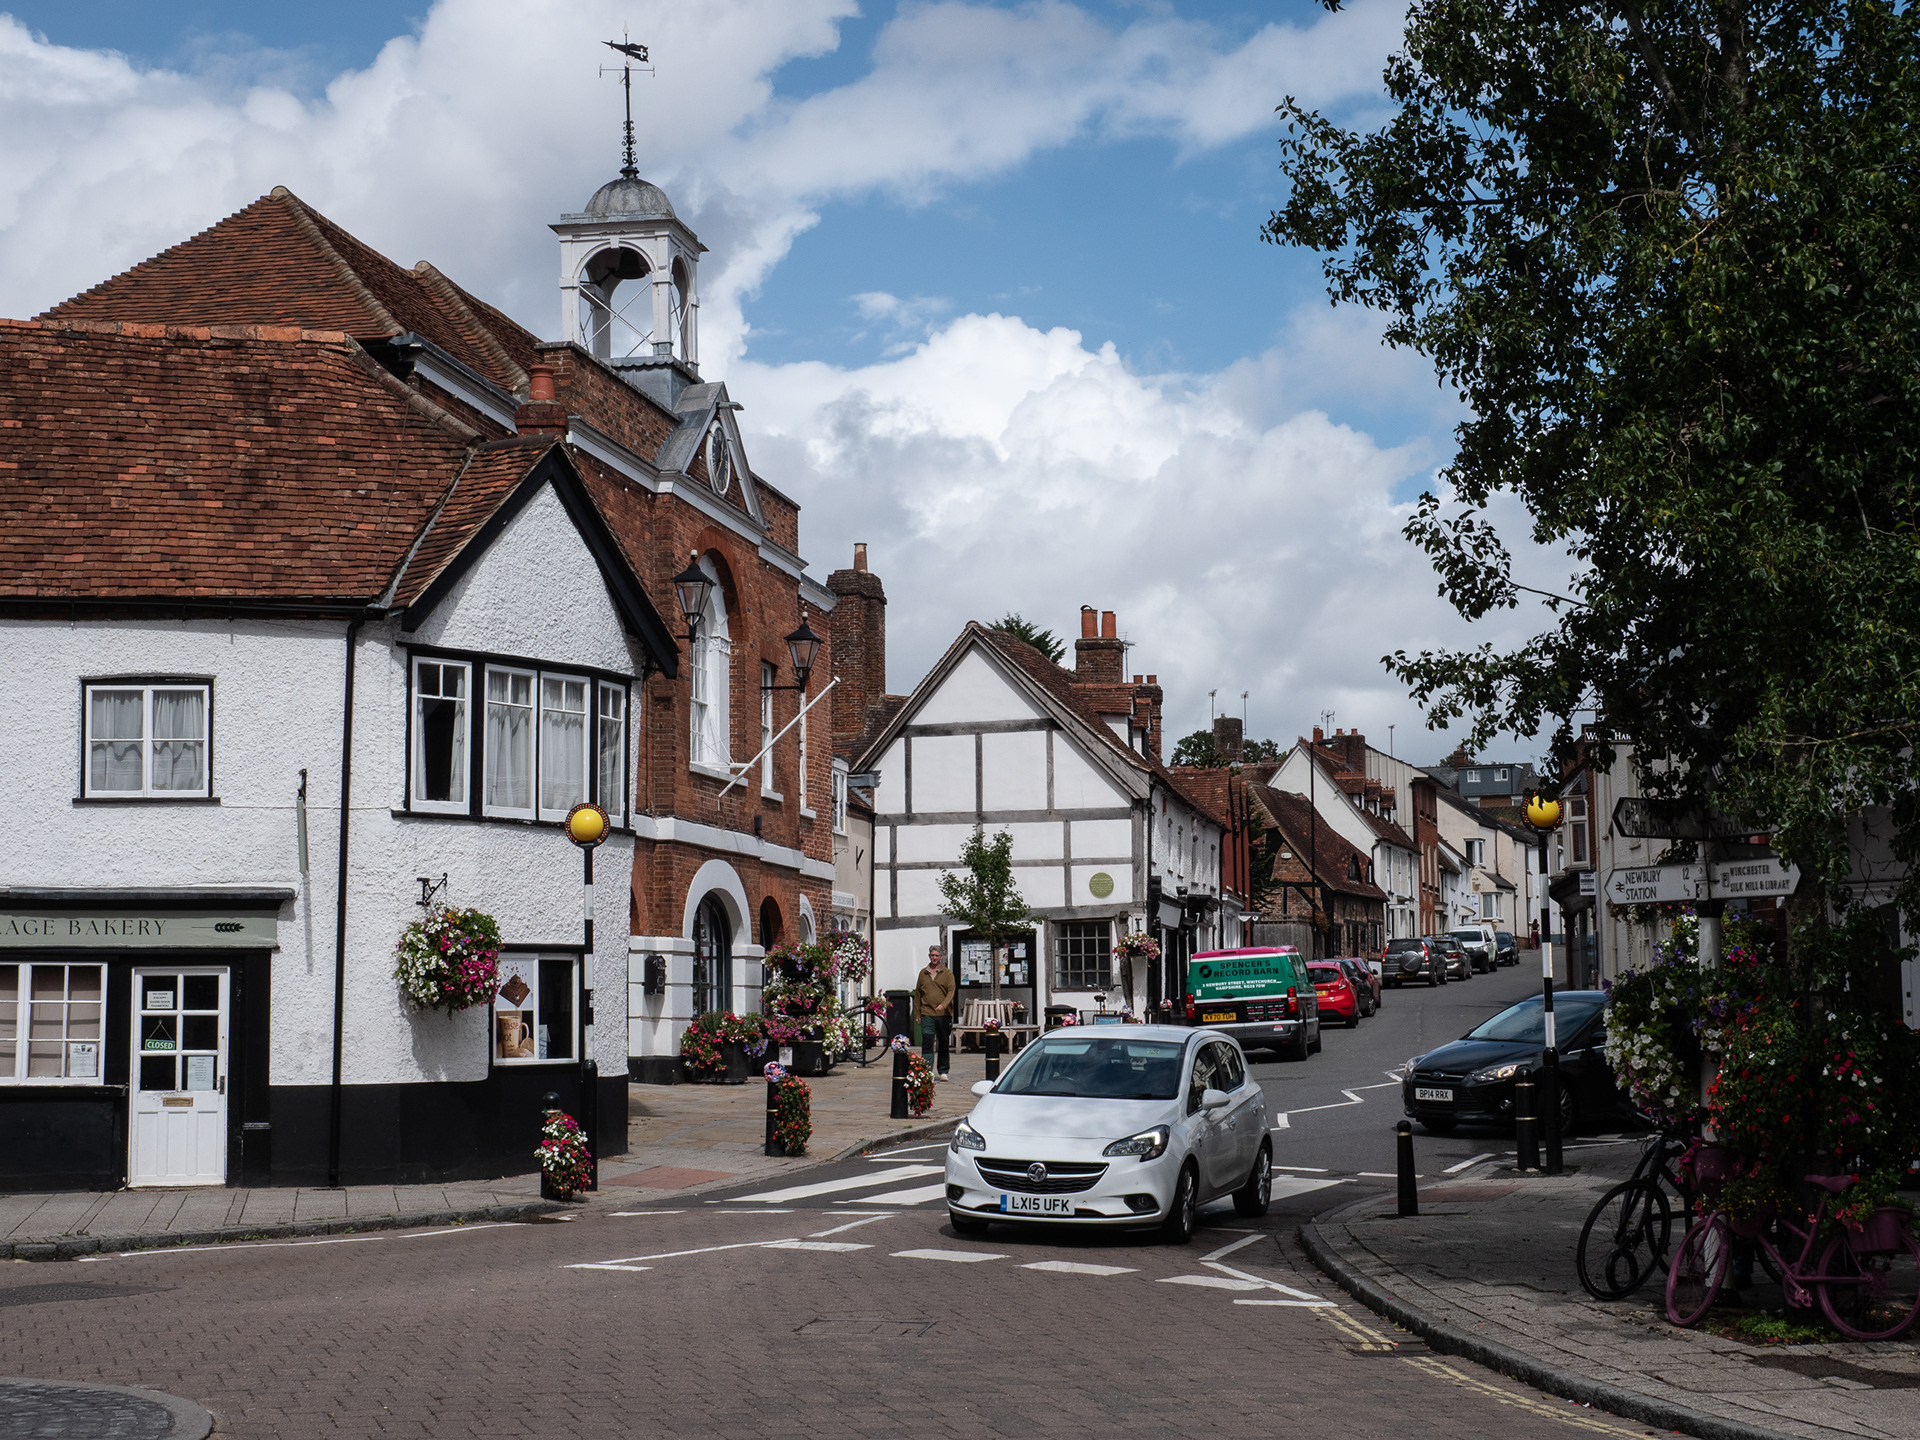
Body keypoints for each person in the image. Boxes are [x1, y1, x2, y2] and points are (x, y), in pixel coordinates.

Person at [914, 945, 957, 1080]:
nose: (934, 958)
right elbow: (918, 995)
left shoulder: (947, 973)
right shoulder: (923, 973)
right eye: (932, 955)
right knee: (927, 1042)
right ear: (929, 956)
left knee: (943, 1042)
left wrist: (944, 1005)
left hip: (944, 1015)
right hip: (927, 1013)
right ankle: (927, 1071)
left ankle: (943, 1071)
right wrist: (917, 1014)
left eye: (937, 956)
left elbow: (951, 991)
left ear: (941, 957)